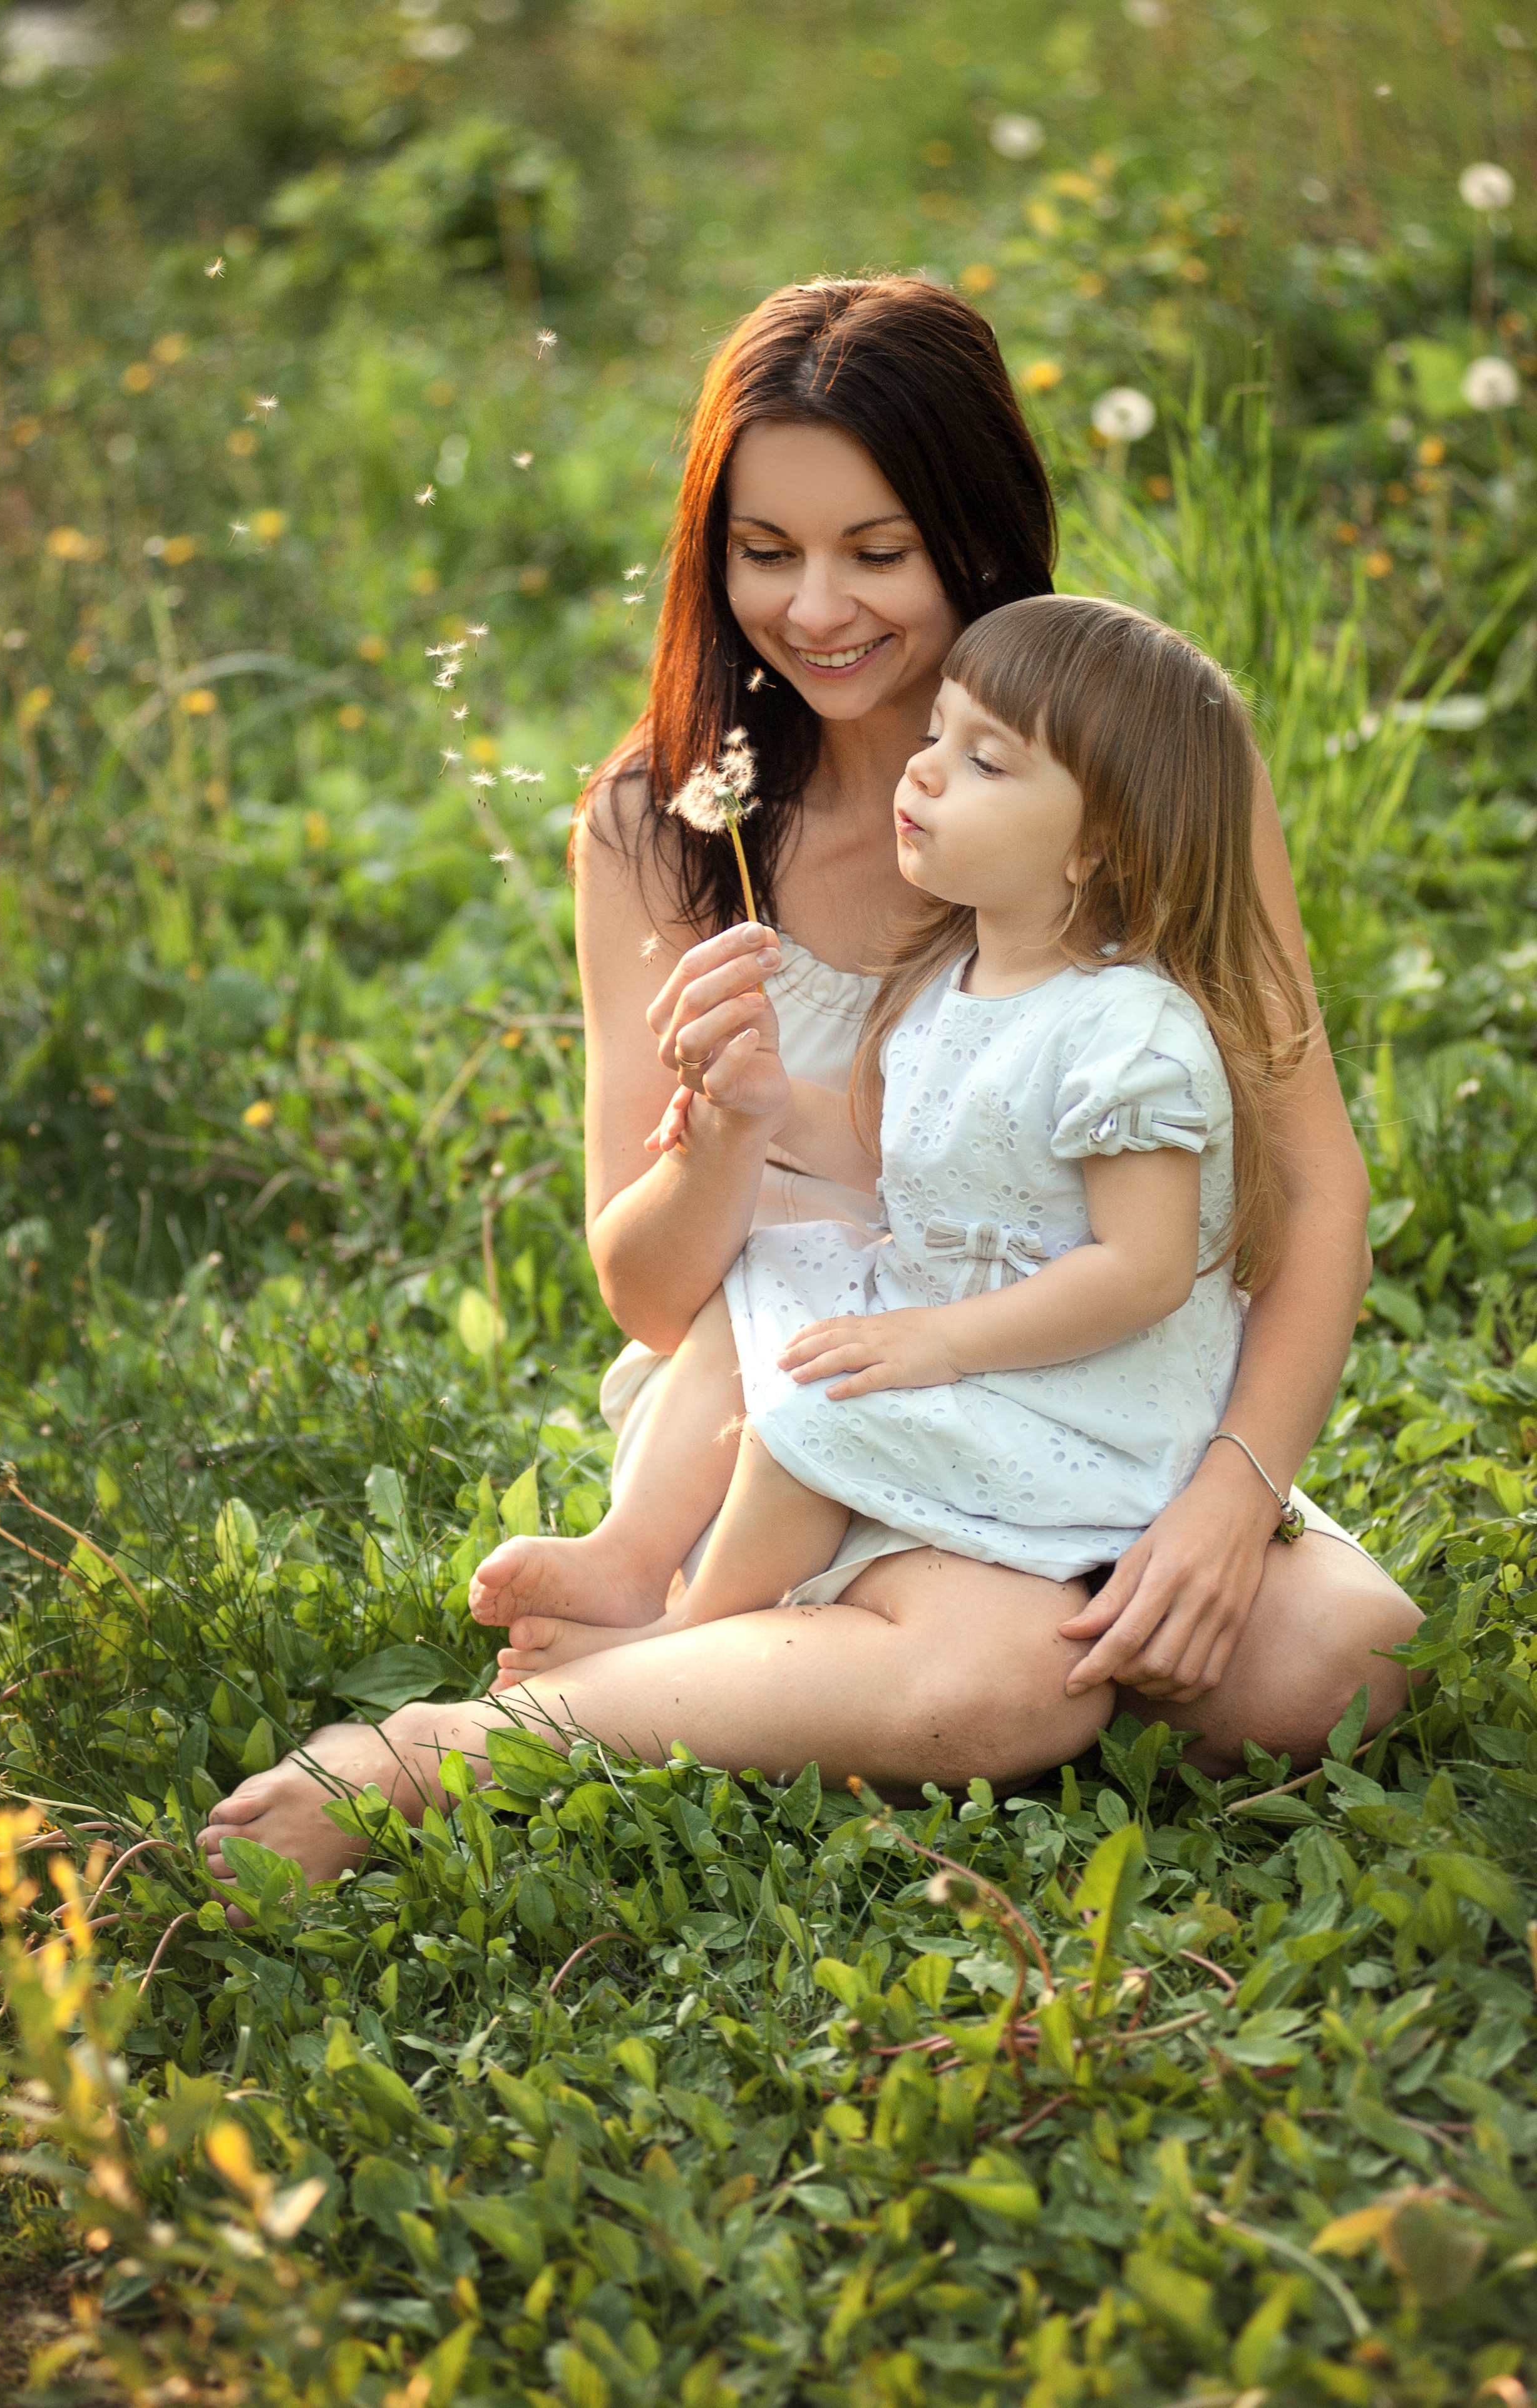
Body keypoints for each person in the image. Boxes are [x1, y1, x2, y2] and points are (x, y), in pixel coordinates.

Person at [198, 277, 1417, 1895]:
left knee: (1336, 1663)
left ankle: (803, 1678)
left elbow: (1315, 1180)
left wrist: (1229, 1493)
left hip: (1094, 1388)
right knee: (1012, 1684)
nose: (818, 608)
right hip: (795, 1402)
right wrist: (723, 1138)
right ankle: (457, 1753)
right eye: (765, 552)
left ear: (977, 535)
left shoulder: (1145, 765)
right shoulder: (660, 825)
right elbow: (647, 1295)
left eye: (877, 550)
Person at [471, 591, 1308, 1679]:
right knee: (773, 1274)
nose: (922, 773)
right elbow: (914, 1151)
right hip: (964, 1328)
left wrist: (937, 1345)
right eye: (936, 737)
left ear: (1100, 845)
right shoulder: (961, 978)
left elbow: (1142, 1272)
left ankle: (689, 1637)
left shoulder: (1129, 1030)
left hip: (1081, 1391)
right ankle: (633, 1555)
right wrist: (763, 1108)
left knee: (820, 1406)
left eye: (986, 764)